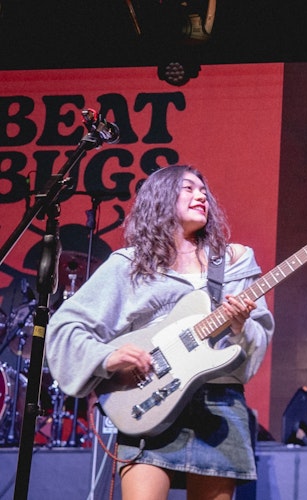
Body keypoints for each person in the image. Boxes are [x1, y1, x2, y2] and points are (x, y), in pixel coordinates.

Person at [46, 165, 275, 500]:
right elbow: (66, 326)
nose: (201, 196)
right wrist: (107, 357)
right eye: (188, 188)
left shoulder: (234, 261)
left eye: (204, 191)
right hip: (146, 400)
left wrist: (240, 327)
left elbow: (259, 336)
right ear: (161, 198)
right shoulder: (129, 264)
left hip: (219, 406)